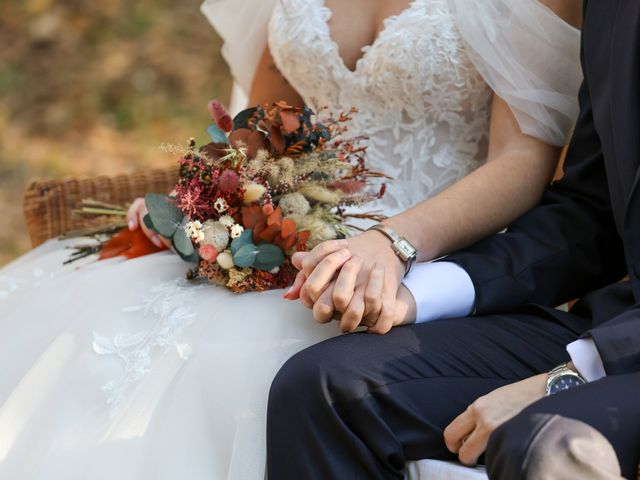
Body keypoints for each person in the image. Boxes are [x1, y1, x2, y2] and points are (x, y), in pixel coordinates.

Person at [0, 0, 582, 478]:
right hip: (288, 221)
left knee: (232, 367)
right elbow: (264, 120)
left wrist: (393, 242)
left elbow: (523, 160)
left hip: (426, 249)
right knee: (94, 330)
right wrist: (204, 198)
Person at [267, 0, 640, 478]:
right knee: (323, 385)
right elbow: (591, 217)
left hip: (623, 351)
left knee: (541, 443)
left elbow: (520, 158)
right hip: (609, 322)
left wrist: (567, 378)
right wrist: (416, 290)